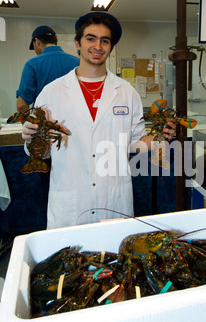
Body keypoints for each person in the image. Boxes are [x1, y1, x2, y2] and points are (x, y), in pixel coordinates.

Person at [22, 12, 175, 230]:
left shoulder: (126, 92)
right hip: (70, 202)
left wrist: (161, 138)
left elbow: (133, 142)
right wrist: (31, 139)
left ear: (110, 47)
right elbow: (42, 152)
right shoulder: (52, 92)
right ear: (78, 43)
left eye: (105, 40)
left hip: (114, 200)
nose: (98, 46)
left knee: (114, 260)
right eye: (90, 38)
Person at [16, 25, 80, 113]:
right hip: (74, 121)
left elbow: (21, 105)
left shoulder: (32, 64)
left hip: (44, 123)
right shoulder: (78, 62)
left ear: (37, 41)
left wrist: (30, 123)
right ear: (55, 41)